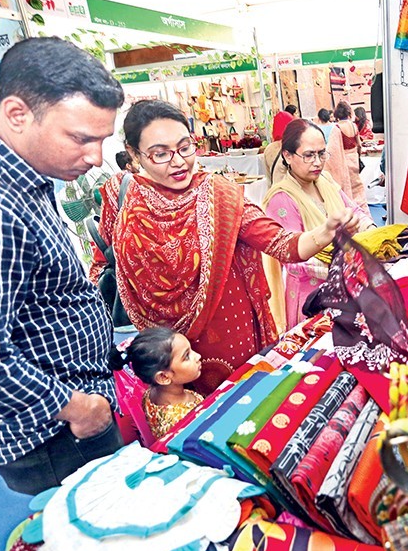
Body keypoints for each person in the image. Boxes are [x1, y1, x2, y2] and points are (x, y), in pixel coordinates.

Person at [0, 37, 125, 495]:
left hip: (68, 410)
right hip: (54, 434)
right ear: (18, 114)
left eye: (102, 139)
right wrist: (77, 407)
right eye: (81, 138)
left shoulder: (14, 173)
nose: (96, 156)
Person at [97, 99, 356, 396]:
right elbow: (103, 262)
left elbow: (282, 244)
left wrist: (325, 231)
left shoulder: (220, 197)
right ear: (133, 153)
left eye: (185, 147)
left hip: (229, 335)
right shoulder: (123, 200)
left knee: (241, 412)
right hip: (164, 353)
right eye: (160, 154)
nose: (179, 161)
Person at [263, 119, 375, 329]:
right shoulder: (281, 199)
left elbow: (353, 210)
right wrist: (341, 270)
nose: (317, 162)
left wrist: (373, 234)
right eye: (309, 155)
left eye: (322, 153)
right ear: (287, 155)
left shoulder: (324, 181)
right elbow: (292, 260)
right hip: (311, 296)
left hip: (344, 284)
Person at [109, 327, 204, 440]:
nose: (198, 356)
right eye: (186, 356)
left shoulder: (153, 392)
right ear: (163, 377)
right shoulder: (179, 423)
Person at [325, 100, 368, 211]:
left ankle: (351, 211)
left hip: (343, 159)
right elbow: (359, 145)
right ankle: (362, 210)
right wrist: (357, 156)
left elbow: (332, 150)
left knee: (345, 187)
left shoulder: (337, 128)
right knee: (356, 186)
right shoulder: (354, 126)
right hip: (354, 158)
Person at [263, 110, 295, 185]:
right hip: (290, 190)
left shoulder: (269, 148)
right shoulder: (294, 146)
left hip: (275, 190)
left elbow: (268, 177)